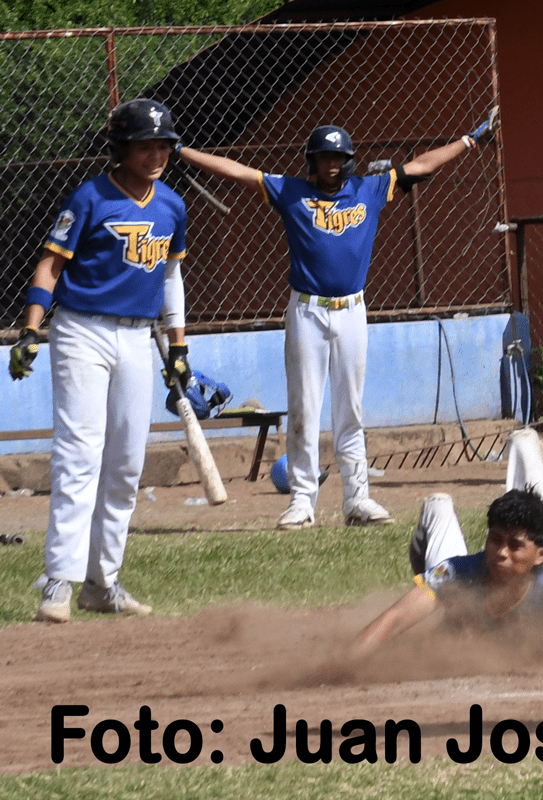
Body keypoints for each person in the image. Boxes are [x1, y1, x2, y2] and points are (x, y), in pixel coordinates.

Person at [179, 110, 499, 530]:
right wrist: (181, 151)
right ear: (311, 160)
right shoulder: (291, 192)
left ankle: (357, 499)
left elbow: (420, 165)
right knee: (305, 408)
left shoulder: (370, 189)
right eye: (324, 157)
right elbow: (238, 171)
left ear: (349, 160)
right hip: (307, 311)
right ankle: (302, 501)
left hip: (352, 310)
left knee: (351, 409)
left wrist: (469, 141)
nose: (331, 164)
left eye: (338, 157)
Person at [8, 99, 189, 622]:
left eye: (163, 146)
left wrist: (178, 346)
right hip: (82, 332)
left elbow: (171, 277)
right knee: (79, 456)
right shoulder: (90, 197)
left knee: (127, 463)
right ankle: (57, 583)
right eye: (145, 146)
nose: (156, 155)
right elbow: (50, 265)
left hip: (137, 338)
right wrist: (30, 328)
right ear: (121, 149)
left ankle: (102, 582)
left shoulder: (171, 205)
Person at [349, 488, 543, 661]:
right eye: (495, 540)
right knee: (442, 542)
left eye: (515, 545)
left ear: (542, 554)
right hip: (450, 565)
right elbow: (395, 619)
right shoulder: (456, 574)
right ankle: (436, 512)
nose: (501, 552)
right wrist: (347, 660)